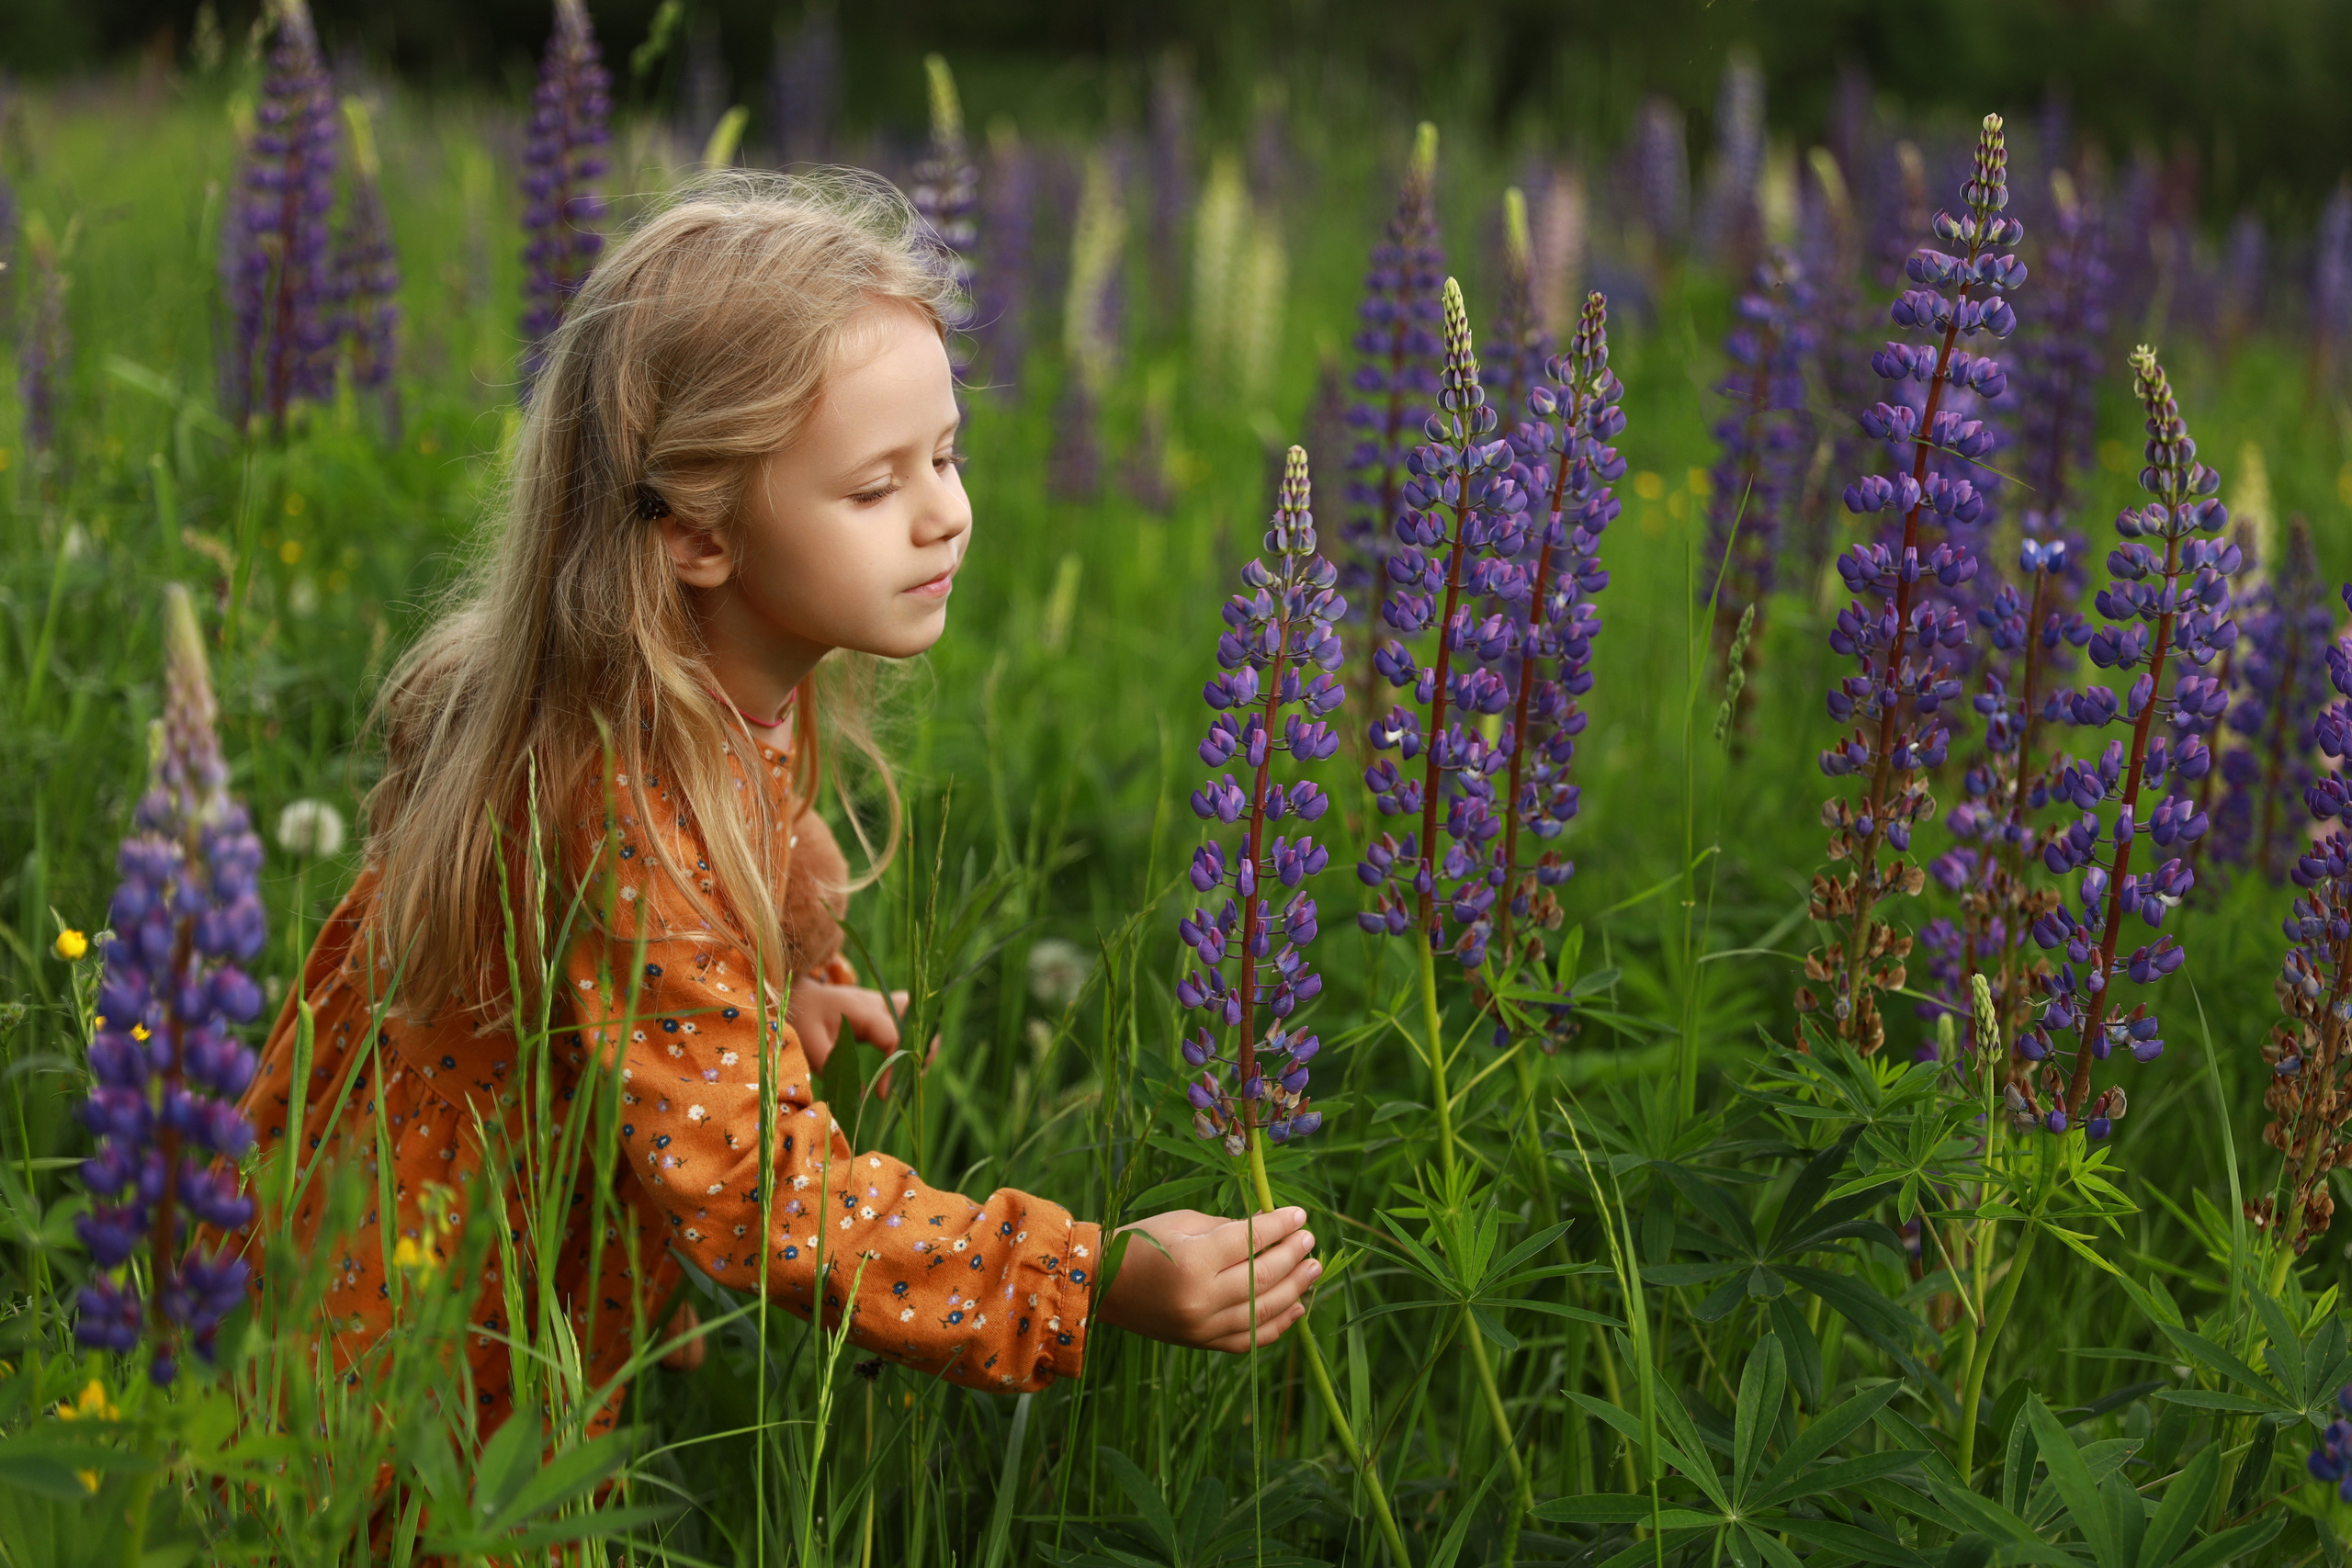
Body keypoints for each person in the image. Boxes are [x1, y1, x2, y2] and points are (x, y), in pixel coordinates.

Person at [233, 171, 1320, 1437]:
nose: (946, 514)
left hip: (490, 1286)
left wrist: (760, 985)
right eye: (876, 488)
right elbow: (758, 1194)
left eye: (947, 454)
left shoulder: (711, 683)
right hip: (409, 1339)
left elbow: (622, 964)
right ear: (698, 533)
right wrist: (1092, 1277)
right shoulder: (620, 791)